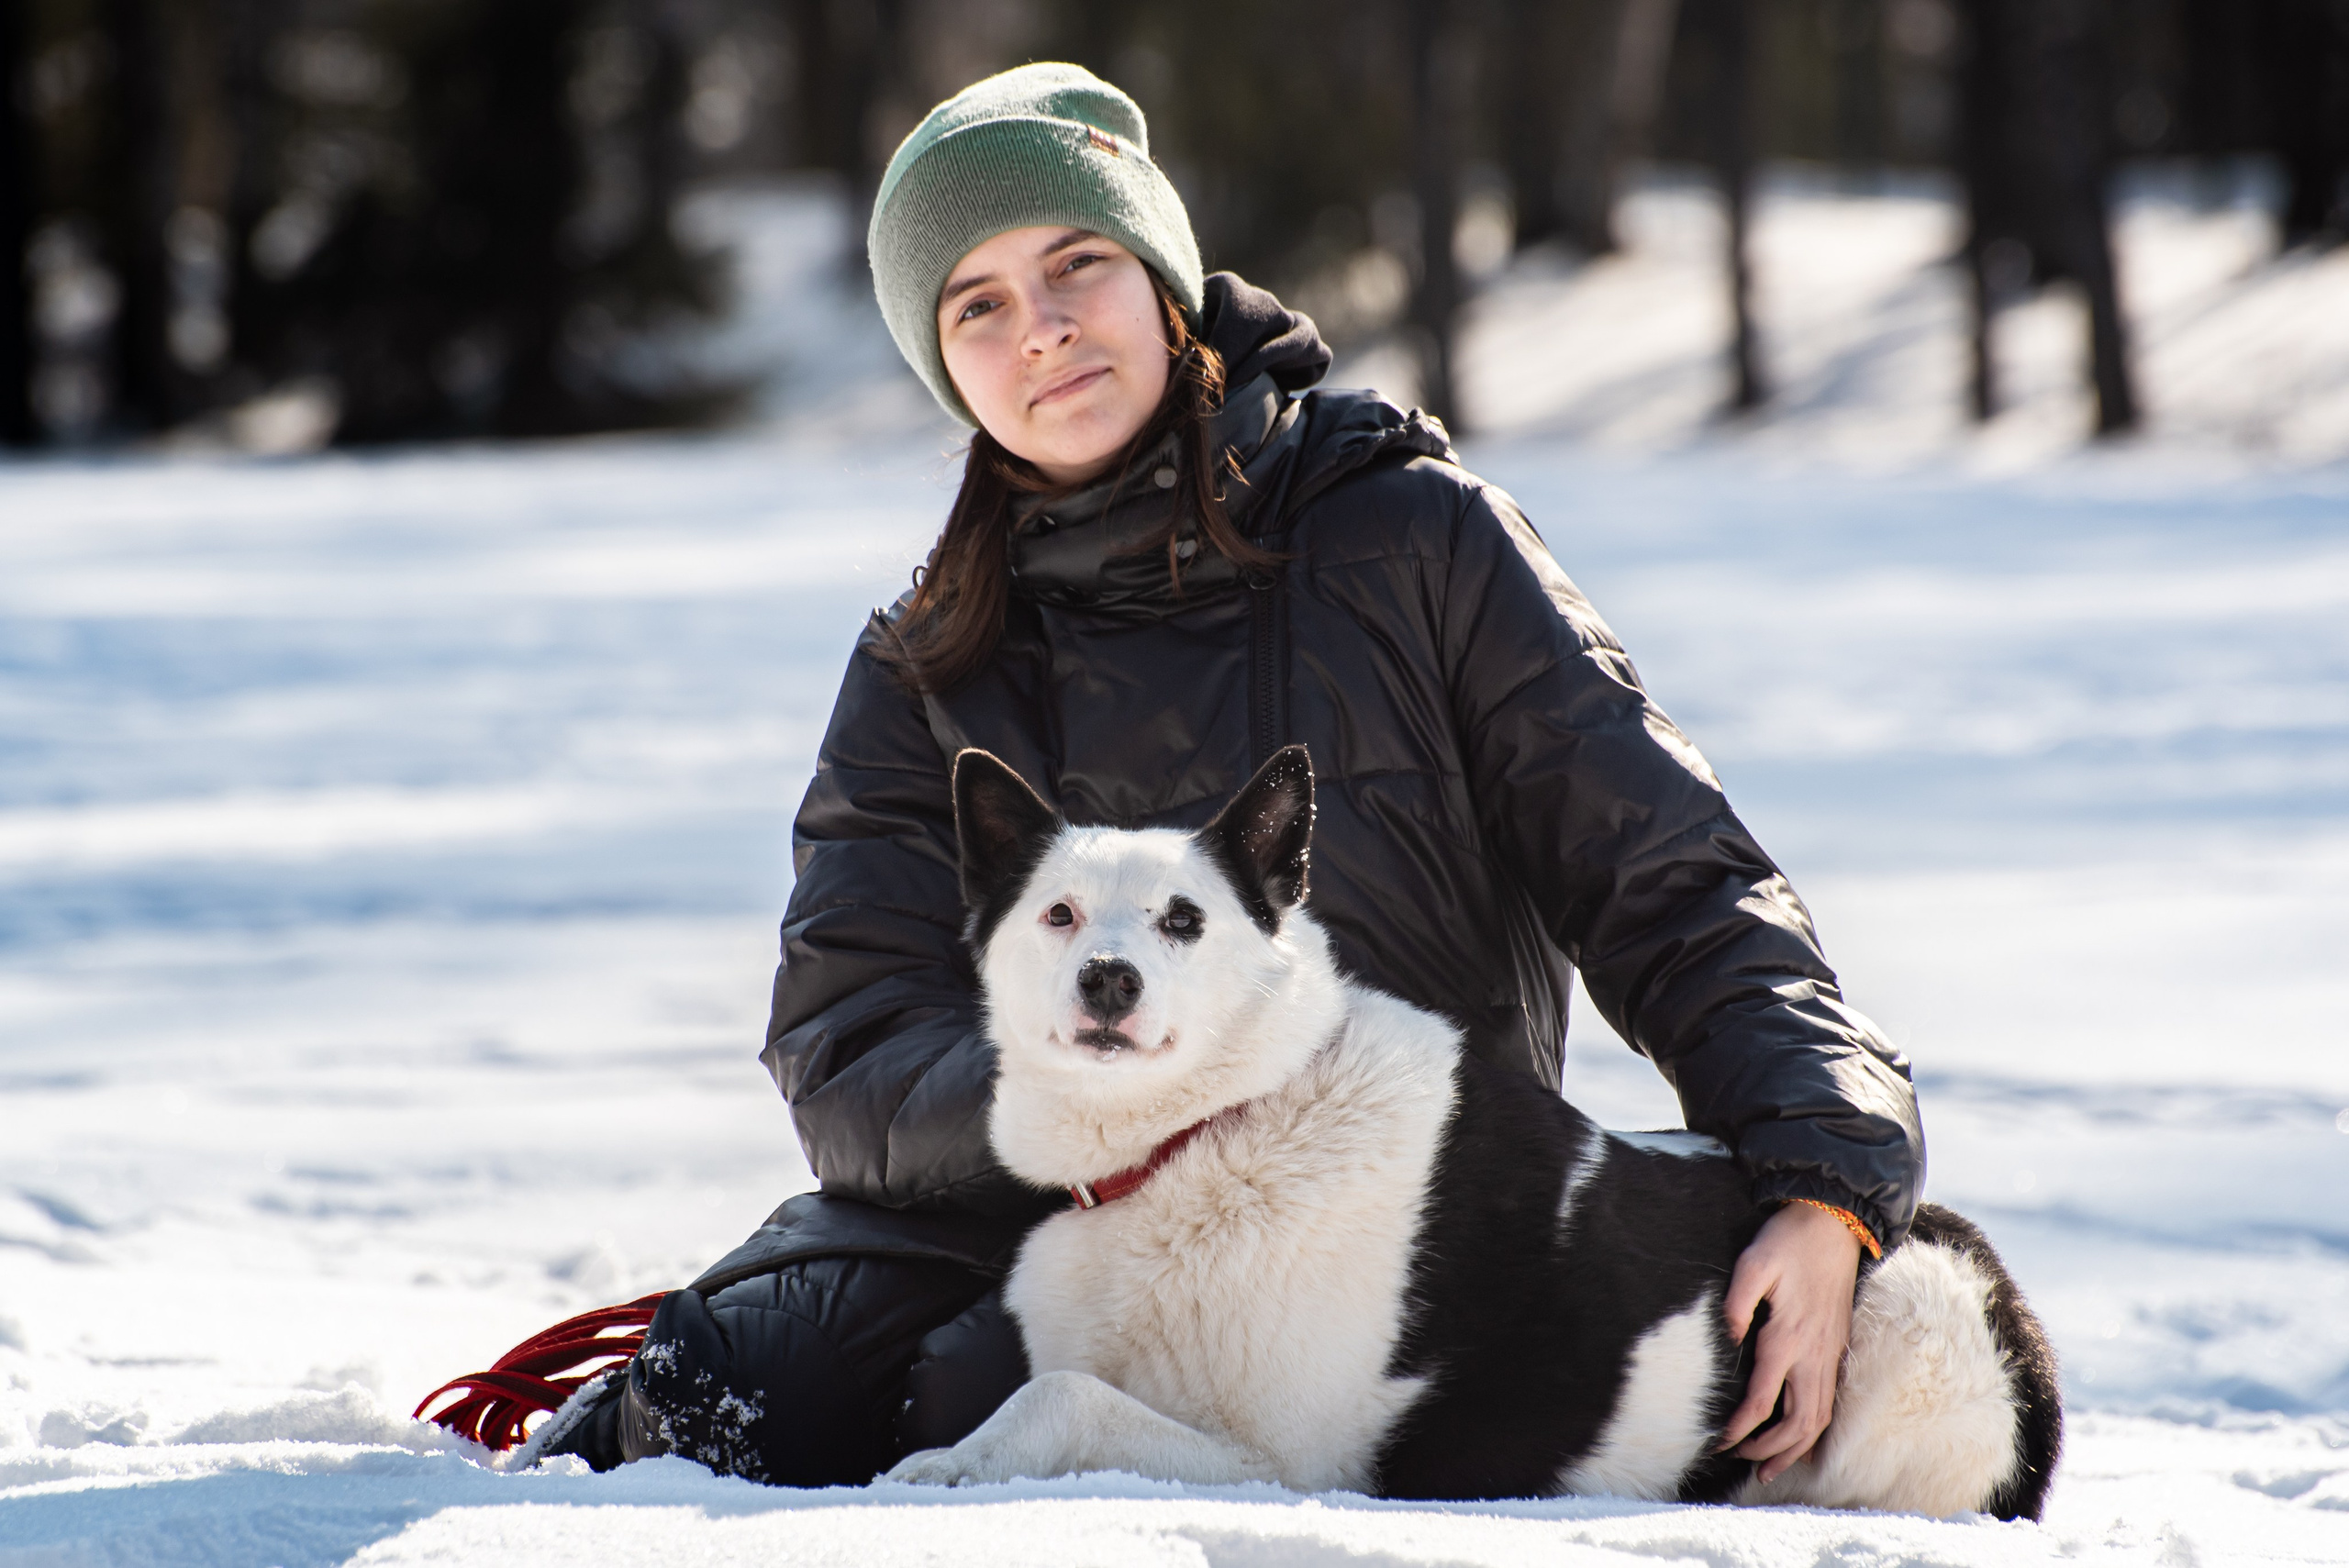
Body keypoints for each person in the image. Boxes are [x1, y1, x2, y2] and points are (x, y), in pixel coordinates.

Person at [551, 62, 1924, 1491]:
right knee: (746, 1376)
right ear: (945, 365)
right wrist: (1103, 1107)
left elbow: (1675, 882)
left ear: (1160, 275)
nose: (1045, 330)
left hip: (1378, 1229)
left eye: (1078, 263)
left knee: (987, 1404)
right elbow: (848, 1034)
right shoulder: (928, 659)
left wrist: (1826, 1182)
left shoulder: (1413, 539)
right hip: (1053, 1213)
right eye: (980, 306)